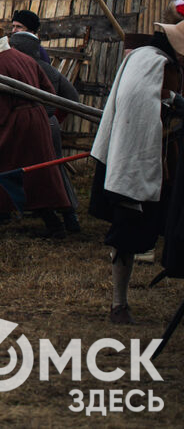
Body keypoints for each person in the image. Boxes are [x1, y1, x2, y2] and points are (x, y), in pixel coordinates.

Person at [89, 19, 184, 324]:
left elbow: (158, 99)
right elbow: (146, 108)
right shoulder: (156, 63)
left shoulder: (142, 58)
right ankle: (119, 303)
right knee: (128, 231)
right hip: (142, 158)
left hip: (150, 157)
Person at [0, 18, 70, 237]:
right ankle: (54, 224)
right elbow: (48, 92)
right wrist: (37, 115)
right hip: (34, 121)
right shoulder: (22, 58)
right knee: (35, 174)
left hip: (13, 123)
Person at [9, 31, 81, 233]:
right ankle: (67, 217)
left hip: (29, 125)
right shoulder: (50, 70)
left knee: (34, 172)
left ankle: (57, 217)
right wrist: (55, 118)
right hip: (49, 125)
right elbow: (72, 98)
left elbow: (71, 99)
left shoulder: (17, 67)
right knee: (53, 170)